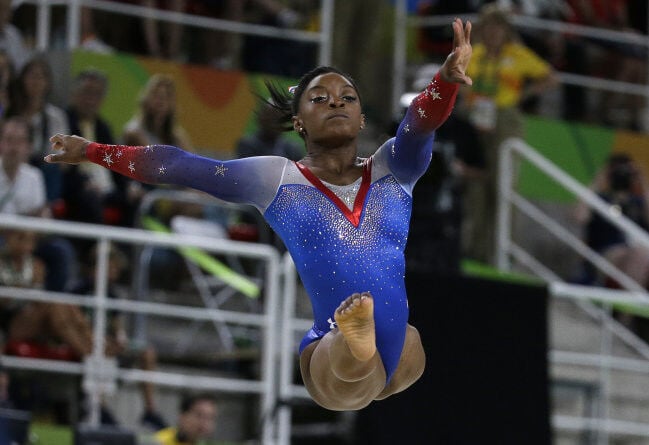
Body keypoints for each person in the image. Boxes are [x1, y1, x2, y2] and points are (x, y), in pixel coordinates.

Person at [45, 18, 473, 411]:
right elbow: (181, 166)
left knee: (409, 353)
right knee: (352, 366)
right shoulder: (279, 179)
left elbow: (418, 124)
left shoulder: (392, 170)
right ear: (299, 122)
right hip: (328, 349)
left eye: (348, 98)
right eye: (318, 99)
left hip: (396, 351)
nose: (336, 103)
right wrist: (94, 151)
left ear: (362, 119)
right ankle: (355, 343)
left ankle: (368, 351)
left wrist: (445, 81)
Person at [461, 3, 558, 266]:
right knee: (477, 186)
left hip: (505, 118)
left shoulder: (518, 54)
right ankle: (474, 250)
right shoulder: (474, 54)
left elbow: (551, 78)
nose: (493, 32)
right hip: (476, 121)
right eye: (489, 27)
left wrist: (525, 95)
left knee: (503, 185)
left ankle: (499, 255)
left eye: (499, 27)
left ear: (506, 30)